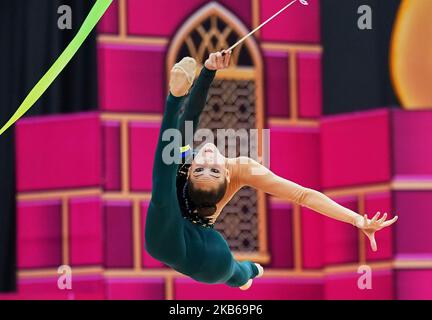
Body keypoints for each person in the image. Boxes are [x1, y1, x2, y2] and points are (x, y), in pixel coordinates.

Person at [145, 51, 398, 290]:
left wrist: (183, 90)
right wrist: (357, 219)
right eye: (214, 170)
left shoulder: (184, 162)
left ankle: (245, 274)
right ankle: (248, 273)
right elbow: (302, 195)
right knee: (234, 269)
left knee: (165, 185)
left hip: (167, 242)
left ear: (190, 172)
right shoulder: (238, 167)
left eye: (202, 168)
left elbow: (187, 122)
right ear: (226, 174)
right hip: (206, 251)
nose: (209, 158)